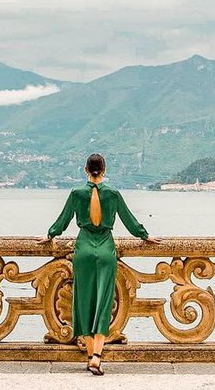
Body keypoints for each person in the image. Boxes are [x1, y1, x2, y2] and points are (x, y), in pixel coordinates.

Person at [42, 152, 159, 374]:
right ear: (104, 171)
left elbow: (62, 222)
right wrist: (145, 235)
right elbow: (129, 221)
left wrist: (49, 235)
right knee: (103, 302)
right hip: (105, 250)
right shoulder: (113, 194)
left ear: (86, 170)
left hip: (84, 250)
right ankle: (96, 356)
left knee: (84, 301)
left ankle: (89, 356)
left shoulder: (76, 194)